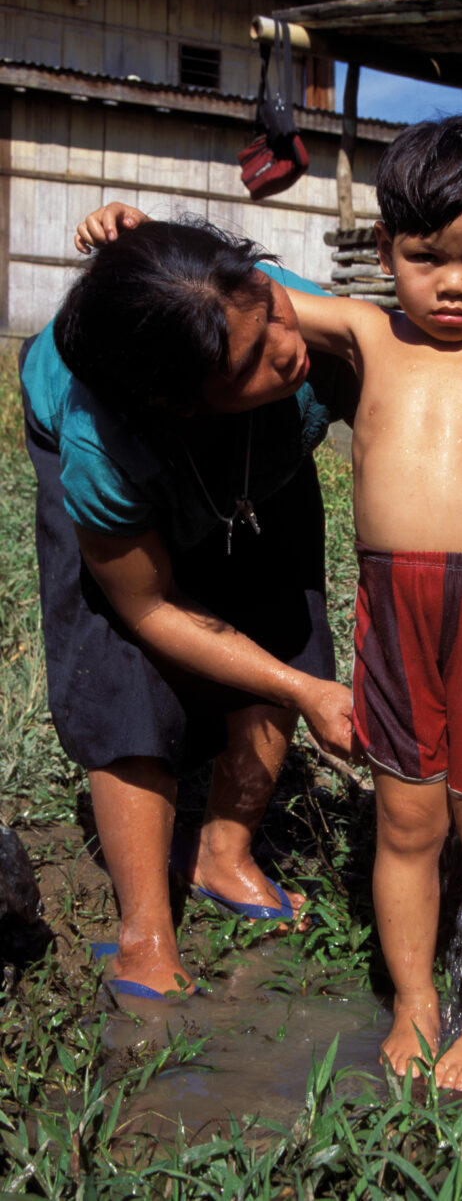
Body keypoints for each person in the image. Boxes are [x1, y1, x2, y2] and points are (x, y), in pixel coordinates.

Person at [77, 115, 462, 1086]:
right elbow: (223, 291)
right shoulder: (367, 331)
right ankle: (415, 1004)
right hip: (394, 610)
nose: (452, 284)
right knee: (406, 823)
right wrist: (138, 238)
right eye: (424, 257)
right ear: (384, 249)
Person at [20, 217, 359, 1001]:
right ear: (180, 402)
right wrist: (305, 696)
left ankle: (223, 852)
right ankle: (144, 932)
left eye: (271, 303)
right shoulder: (103, 445)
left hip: (251, 459)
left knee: (283, 615)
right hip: (130, 487)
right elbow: (149, 609)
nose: (286, 344)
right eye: (250, 360)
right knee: (120, 668)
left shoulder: (293, 323)